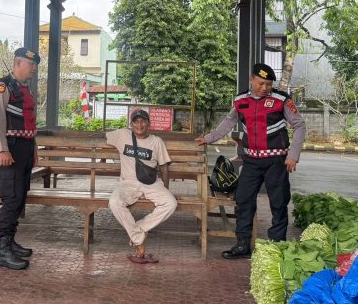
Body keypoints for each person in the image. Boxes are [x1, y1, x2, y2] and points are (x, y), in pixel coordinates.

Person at [196, 63, 306, 260]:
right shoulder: (241, 101)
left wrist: (293, 155)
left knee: (279, 202)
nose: (265, 88)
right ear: (251, 80)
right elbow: (229, 122)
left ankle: (277, 246)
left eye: (268, 84)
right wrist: (209, 138)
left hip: (276, 161)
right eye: (260, 83)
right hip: (251, 162)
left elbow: (299, 125)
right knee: (243, 199)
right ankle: (242, 244)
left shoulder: (281, 100)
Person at [0, 47, 41, 270]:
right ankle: (2, 250)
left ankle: (10, 241)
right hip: (10, 148)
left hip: (25, 148)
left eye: (35, 65)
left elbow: (30, 121)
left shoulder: (25, 88)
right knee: (11, 198)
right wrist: (2, 150)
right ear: (18, 63)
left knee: (20, 197)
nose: (34, 68)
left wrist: (34, 149)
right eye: (31, 64)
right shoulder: (3, 86)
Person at [106, 108, 177, 263]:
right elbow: (101, 136)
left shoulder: (157, 141)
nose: (139, 124)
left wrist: (166, 188)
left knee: (171, 203)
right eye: (136, 121)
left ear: (149, 123)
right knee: (114, 202)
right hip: (128, 183)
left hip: (151, 183)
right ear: (131, 124)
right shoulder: (122, 135)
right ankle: (138, 239)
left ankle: (138, 228)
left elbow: (164, 166)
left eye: (143, 121)